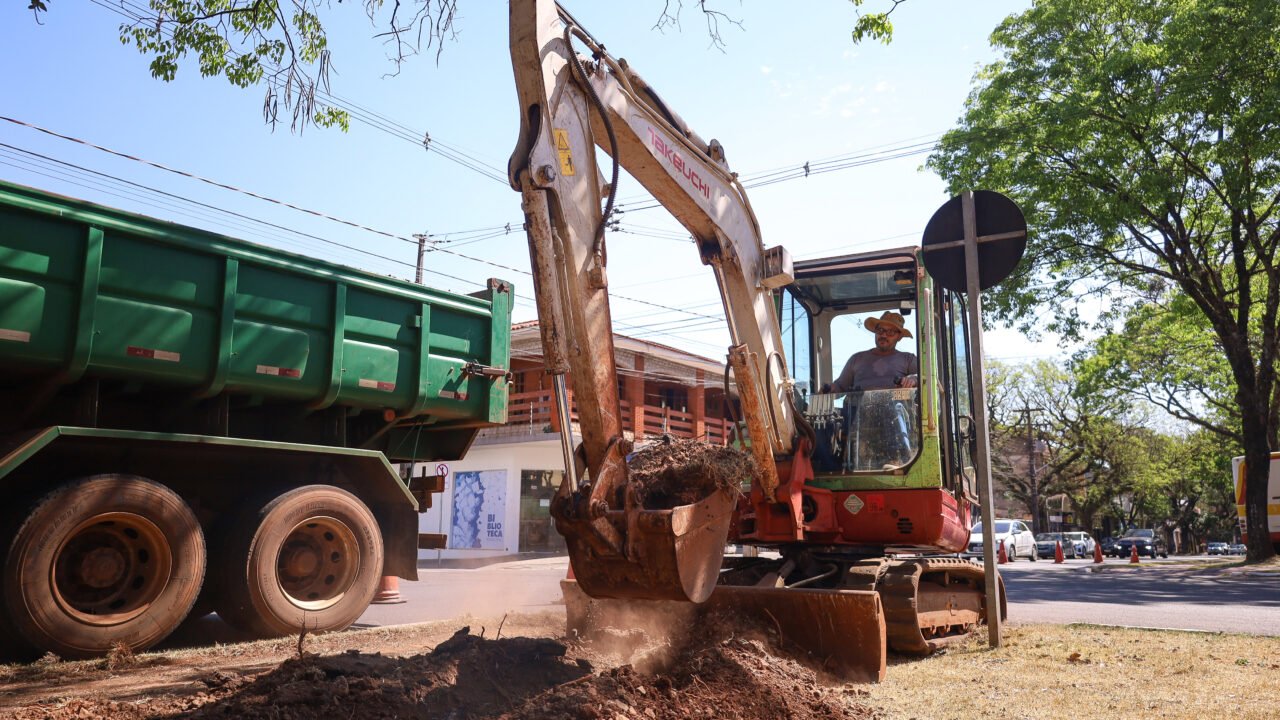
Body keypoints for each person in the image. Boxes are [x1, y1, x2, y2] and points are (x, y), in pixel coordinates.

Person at [825, 311, 918, 392]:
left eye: (890, 332)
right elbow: (840, 386)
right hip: (859, 412)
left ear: (899, 337)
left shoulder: (908, 359)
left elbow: (926, 378)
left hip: (897, 412)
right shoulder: (857, 359)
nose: (884, 335)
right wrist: (829, 388)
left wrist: (914, 379)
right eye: (880, 330)